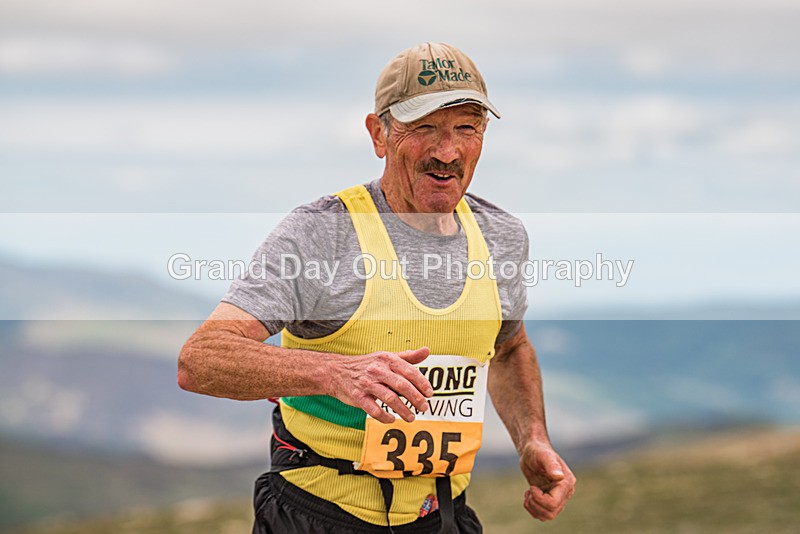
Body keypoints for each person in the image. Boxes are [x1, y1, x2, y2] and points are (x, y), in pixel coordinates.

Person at [178, 42, 575, 533]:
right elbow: (200, 359)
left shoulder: (502, 236)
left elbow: (508, 348)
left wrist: (532, 438)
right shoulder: (324, 232)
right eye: (423, 127)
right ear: (378, 134)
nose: (447, 151)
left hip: (442, 515)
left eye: (466, 127)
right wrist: (335, 373)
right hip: (317, 516)